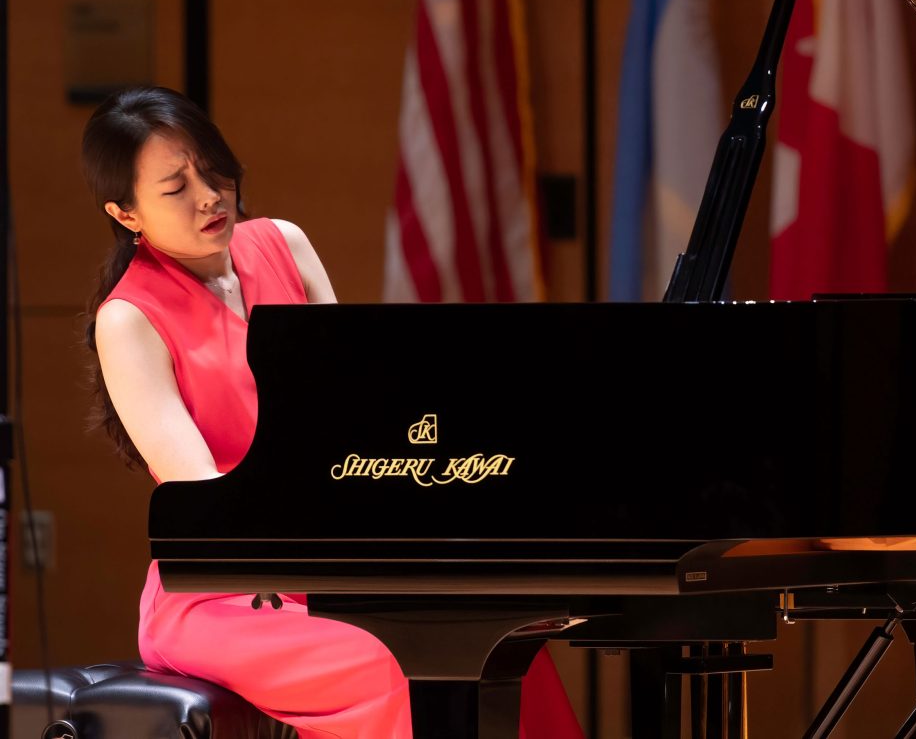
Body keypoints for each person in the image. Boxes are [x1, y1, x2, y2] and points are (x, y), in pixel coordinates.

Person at [80, 85, 584, 739]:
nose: (209, 193)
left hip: (332, 565)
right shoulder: (127, 317)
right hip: (225, 591)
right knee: (394, 664)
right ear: (126, 214)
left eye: (211, 167)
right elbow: (199, 496)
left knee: (504, 644)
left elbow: (361, 418)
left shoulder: (284, 244)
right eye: (176, 187)